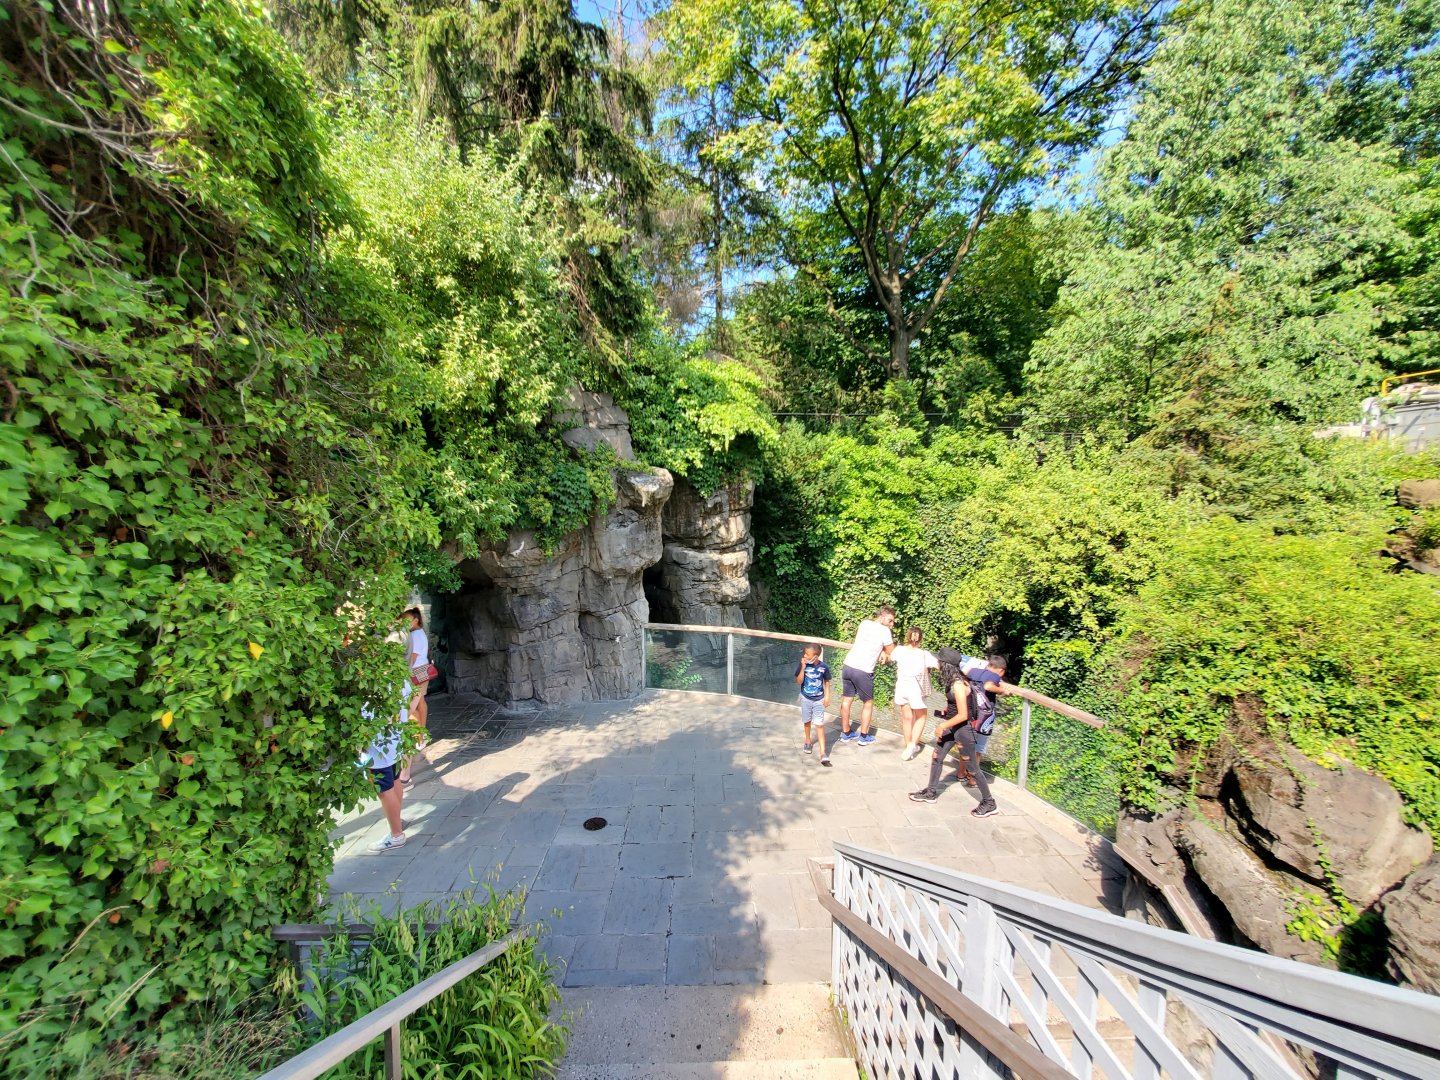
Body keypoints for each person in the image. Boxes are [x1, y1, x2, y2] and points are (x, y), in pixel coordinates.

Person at [908, 652, 1002, 817]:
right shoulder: (952, 680)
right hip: (952, 725)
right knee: (937, 757)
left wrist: (943, 725)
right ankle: (930, 792)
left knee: (972, 768)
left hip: (963, 729)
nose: (936, 663)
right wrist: (947, 710)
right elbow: (957, 704)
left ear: (946, 664)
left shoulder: (958, 684)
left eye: (939, 661)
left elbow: (964, 715)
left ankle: (989, 803)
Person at [839, 606, 896, 744]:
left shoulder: (864, 623)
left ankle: (846, 733)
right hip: (863, 670)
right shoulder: (885, 631)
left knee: (846, 700)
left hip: (848, 666)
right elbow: (892, 651)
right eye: (890, 620)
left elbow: (870, 642)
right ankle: (863, 737)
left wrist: (882, 651)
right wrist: (885, 652)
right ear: (882, 617)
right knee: (868, 703)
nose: (892, 624)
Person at [362, 686, 410, 851]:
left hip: (378, 747)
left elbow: (366, 716)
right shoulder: (398, 679)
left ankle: (396, 835)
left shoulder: (373, 686)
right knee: (395, 780)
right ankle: (396, 821)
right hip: (394, 739)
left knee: (384, 789)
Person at [955, 655, 1007, 788]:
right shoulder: (994, 676)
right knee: (978, 748)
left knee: (966, 744)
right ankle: (973, 779)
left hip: (969, 712)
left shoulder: (973, 671)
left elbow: (962, 677)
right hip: (984, 716)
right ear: (1001, 671)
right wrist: (1003, 690)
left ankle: (961, 773)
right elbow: (989, 686)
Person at [890, 627, 938, 761]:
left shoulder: (899, 650)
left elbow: (890, 657)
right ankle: (912, 744)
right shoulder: (924, 654)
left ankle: (908, 746)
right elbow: (938, 665)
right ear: (920, 639)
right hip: (916, 689)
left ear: (908, 636)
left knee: (907, 718)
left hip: (902, 687)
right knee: (921, 717)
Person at [398, 607, 429, 786]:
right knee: (419, 703)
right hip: (422, 671)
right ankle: (421, 736)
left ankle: (418, 737)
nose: (405, 622)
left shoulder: (415, 635)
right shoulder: (419, 633)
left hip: (416, 672)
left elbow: (413, 657)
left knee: (412, 708)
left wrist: (403, 672)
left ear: (416, 619)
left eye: (407, 619)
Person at [794, 643, 834, 767]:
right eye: (804, 654)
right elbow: (798, 681)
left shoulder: (823, 667)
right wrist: (803, 667)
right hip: (806, 698)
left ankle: (823, 753)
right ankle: (807, 740)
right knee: (807, 721)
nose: (805, 656)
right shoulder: (803, 664)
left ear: (815, 657)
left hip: (819, 700)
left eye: (807, 654)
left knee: (819, 724)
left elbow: (827, 681)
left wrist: (827, 696)